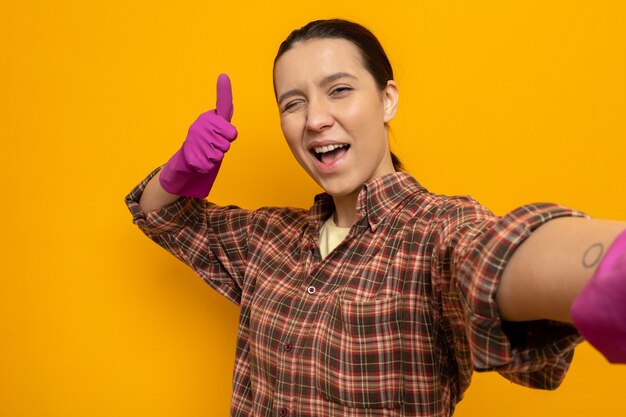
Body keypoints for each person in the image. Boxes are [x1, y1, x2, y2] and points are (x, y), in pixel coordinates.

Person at [125, 19, 626, 417]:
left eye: (339, 89)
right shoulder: (267, 239)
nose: (315, 118)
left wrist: (606, 264)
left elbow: (493, 254)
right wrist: (177, 173)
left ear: (387, 99)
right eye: (293, 103)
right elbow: (161, 219)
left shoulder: (436, 233)